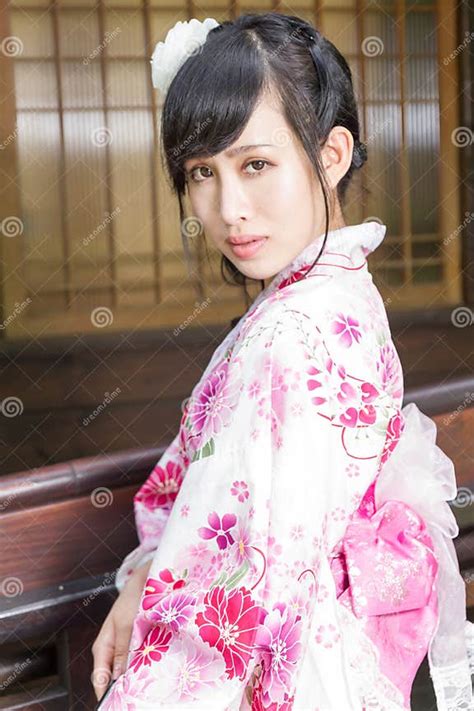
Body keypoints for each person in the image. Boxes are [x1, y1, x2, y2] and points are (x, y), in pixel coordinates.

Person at [91, 12, 474, 710]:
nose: (228, 208)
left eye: (256, 164)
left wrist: (150, 587)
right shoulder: (339, 289)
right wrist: (149, 573)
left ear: (331, 154)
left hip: (282, 666)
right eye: (202, 172)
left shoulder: (290, 331)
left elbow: (244, 586)